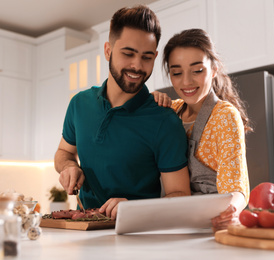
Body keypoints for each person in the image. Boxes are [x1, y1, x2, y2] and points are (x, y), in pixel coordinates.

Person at [54, 5, 191, 220]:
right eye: (128, 54)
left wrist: (134, 208)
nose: (137, 66)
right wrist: (69, 167)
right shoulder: (79, 104)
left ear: (155, 56)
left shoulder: (164, 120)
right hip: (85, 234)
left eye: (147, 57)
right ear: (108, 50)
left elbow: (181, 195)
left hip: (139, 237)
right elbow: (63, 152)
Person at [154, 28, 251, 230]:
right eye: (177, 73)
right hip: (173, 224)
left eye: (197, 70)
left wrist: (231, 210)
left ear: (214, 69)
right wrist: (152, 99)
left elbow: (236, 187)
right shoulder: (172, 110)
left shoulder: (224, 116)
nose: (187, 81)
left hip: (210, 225)